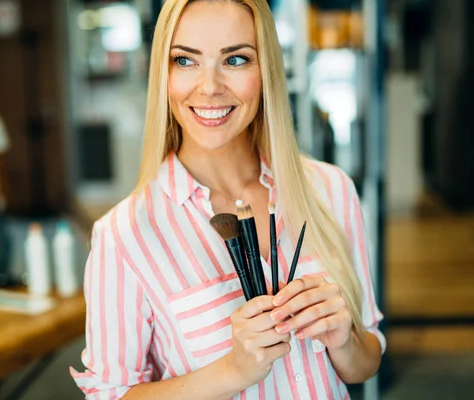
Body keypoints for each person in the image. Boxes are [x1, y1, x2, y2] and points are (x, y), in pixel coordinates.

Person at [70, 0, 384, 398]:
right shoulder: (124, 235)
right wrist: (233, 371)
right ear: (163, 74)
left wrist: (345, 340)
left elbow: (367, 362)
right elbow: (110, 394)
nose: (210, 86)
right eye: (185, 61)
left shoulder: (331, 190)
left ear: (266, 70)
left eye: (235, 59)